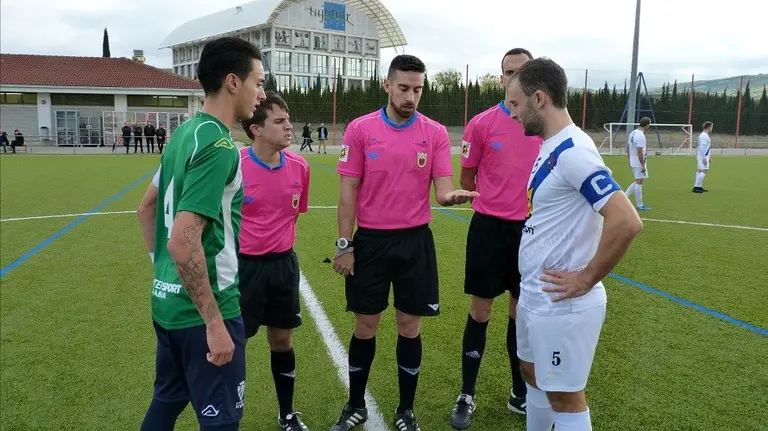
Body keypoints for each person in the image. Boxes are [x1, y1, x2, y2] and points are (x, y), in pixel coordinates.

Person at [330, 54, 479, 431]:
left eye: (418, 89)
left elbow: (442, 189)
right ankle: (354, 406)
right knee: (366, 325)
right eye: (404, 88)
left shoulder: (435, 133)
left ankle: (405, 410)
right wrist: (346, 245)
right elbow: (347, 191)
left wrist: (452, 197)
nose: (411, 96)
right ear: (387, 85)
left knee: (409, 326)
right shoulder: (360, 130)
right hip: (372, 243)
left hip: (415, 244)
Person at [135, 36, 266, 431]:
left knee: (165, 404)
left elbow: (146, 208)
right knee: (221, 421)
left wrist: (164, 273)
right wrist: (214, 323)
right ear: (232, 82)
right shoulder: (220, 146)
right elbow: (182, 240)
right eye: (257, 82)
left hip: (167, 304)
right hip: (206, 311)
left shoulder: (182, 134)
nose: (261, 93)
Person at [505, 58, 643, 431]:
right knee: (532, 374)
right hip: (535, 293)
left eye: (515, 104)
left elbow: (626, 220)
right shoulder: (550, 146)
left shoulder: (574, 152)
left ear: (539, 98)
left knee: (565, 397)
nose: (511, 113)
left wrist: (586, 277)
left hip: (562, 304)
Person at [450, 47, 542, 430]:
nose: (514, 78)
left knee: (520, 317)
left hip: (531, 231)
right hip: (489, 230)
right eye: (508, 72)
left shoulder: (543, 126)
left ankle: (519, 394)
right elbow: (467, 180)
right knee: (480, 312)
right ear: (501, 77)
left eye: (522, 72)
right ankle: (467, 393)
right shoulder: (481, 124)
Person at [237, 91, 310, 431]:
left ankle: (286, 413)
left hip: (283, 266)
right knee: (235, 343)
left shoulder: (300, 167)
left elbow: (293, 215)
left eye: (288, 119)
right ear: (256, 129)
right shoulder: (233, 166)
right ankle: (226, 415)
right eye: (279, 121)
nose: (289, 127)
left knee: (282, 341)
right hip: (243, 269)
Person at [624, 116, 652, 210]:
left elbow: (628, 147)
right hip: (638, 162)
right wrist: (642, 165)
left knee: (637, 181)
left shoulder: (633, 133)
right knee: (639, 182)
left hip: (633, 160)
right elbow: (639, 151)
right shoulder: (641, 136)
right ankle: (640, 205)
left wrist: (629, 159)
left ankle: (624, 198)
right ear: (647, 125)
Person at [693, 121, 713, 193]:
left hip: (701, 155)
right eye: (711, 127)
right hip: (702, 156)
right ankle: (696, 187)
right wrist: (704, 157)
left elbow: (706, 147)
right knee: (705, 171)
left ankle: (699, 186)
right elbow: (701, 147)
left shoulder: (703, 135)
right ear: (708, 127)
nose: (712, 128)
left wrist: (709, 156)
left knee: (699, 170)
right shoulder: (704, 136)